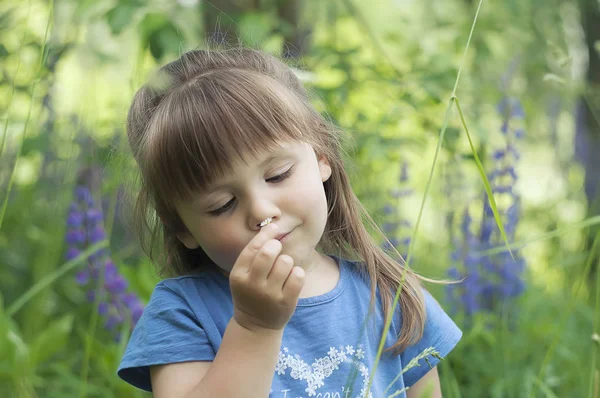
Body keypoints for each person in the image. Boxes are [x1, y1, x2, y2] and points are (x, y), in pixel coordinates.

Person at [117, 47, 462, 398]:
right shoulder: (182, 313)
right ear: (181, 227)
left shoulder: (391, 296)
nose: (261, 211)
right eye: (222, 205)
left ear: (321, 157)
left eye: (278, 175)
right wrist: (255, 327)